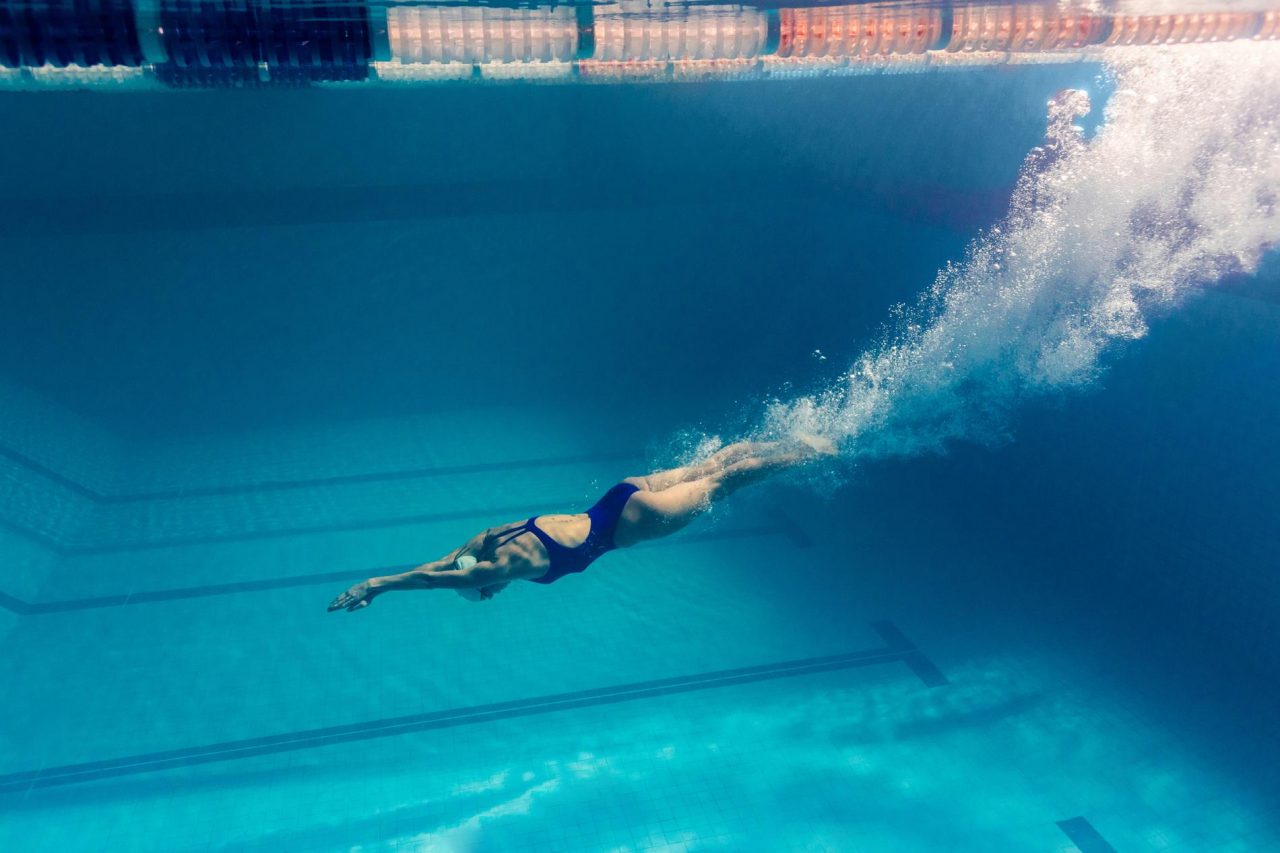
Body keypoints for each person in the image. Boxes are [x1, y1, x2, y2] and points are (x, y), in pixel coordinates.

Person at [327, 437, 834, 612]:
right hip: (620, 494)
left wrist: (378, 586)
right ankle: (786, 438)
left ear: (484, 581)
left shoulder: (498, 566)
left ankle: (808, 450)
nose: (494, 593)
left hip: (634, 524)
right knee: (711, 468)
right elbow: (445, 562)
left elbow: (440, 578)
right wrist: (380, 583)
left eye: (488, 591)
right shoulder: (487, 538)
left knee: (723, 485)